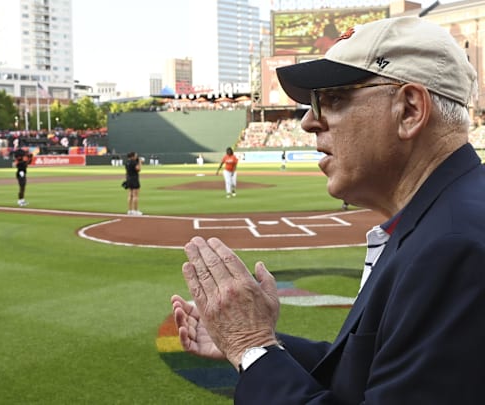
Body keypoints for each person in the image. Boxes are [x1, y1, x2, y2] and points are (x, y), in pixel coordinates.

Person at [171, 17, 485, 404]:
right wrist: (258, 342)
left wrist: (251, 347)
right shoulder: (444, 217)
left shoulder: (453, 247)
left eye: (333, 99)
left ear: (409, 110)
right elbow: (371, 369)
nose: (308, 121)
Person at [124, 151, 142, 215]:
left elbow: (126, 172)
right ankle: (135, 210)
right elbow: (139, 169)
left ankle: (129, 210)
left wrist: (126, 179)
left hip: (129, 179)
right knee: (135, 196)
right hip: (134, 179)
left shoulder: (127, 162)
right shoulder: (133, 162)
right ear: (132, 156)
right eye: (135, 155)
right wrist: (140, 162)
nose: (136, 156)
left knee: (130, 195)